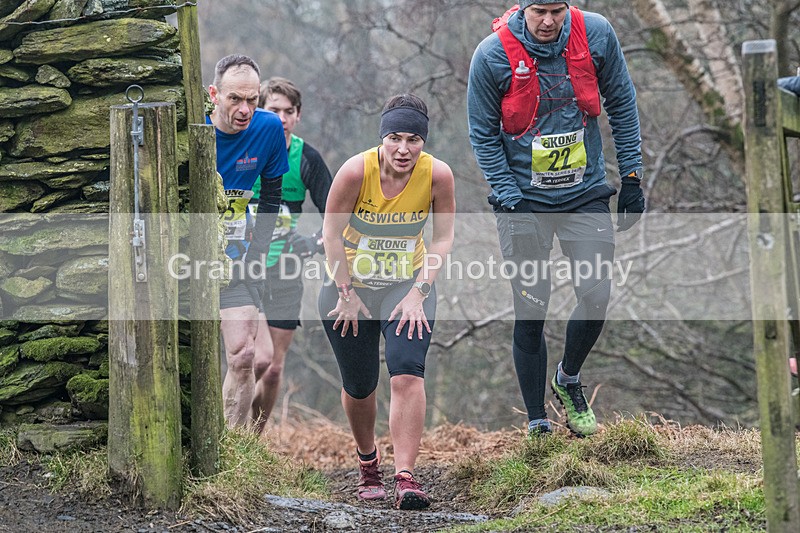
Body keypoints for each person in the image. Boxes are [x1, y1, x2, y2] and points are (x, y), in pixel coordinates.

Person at [467, 1, 645, 437]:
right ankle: (537, 422)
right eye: (538, 12)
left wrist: (633, 176)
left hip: (584, 193)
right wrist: (511, 201)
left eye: (556, 12)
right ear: (523, 9)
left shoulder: (597, 34)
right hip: (523, 200)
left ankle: (567, 377)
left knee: (597, 293)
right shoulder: (491, 54)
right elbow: (482, 134)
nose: (548, 22)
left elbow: (622, 103)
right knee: (532, 310)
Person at [319, 94, 455, 509]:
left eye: (413, 139)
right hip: (351, 287)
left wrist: (420, 291)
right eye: (395, 137)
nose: (403, 149)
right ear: (382, 138)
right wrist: (346, 292)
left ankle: (406, 476)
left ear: (423, 143)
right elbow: (330, 234)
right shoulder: (355, 171)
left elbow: (444, 237)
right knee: (360, 386)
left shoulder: (438, 175)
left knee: (406, 372)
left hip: (406, 286)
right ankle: (368, 464)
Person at [247, 77, 333, 434]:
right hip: (243, 268)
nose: (281, 118)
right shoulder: (244, 148)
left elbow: (338, 215)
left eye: (288, 111)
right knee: (251, 359)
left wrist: (313, 243)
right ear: (259, 112)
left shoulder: (306, 158)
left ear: (298, 116)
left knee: (274, 369)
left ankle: (254, 440)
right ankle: (232, 434)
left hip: (285, 271)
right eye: (273, 110)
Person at [208, 54, 289, 429]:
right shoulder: (191, 128)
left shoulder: (269, 129)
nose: (245, 109)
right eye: (235, 99)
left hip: (236, 259)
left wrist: (256, 256)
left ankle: (234, 454)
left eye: (252, 100)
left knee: (245, 355)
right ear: (214, 94)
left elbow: (272, 196)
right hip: (184, 256)